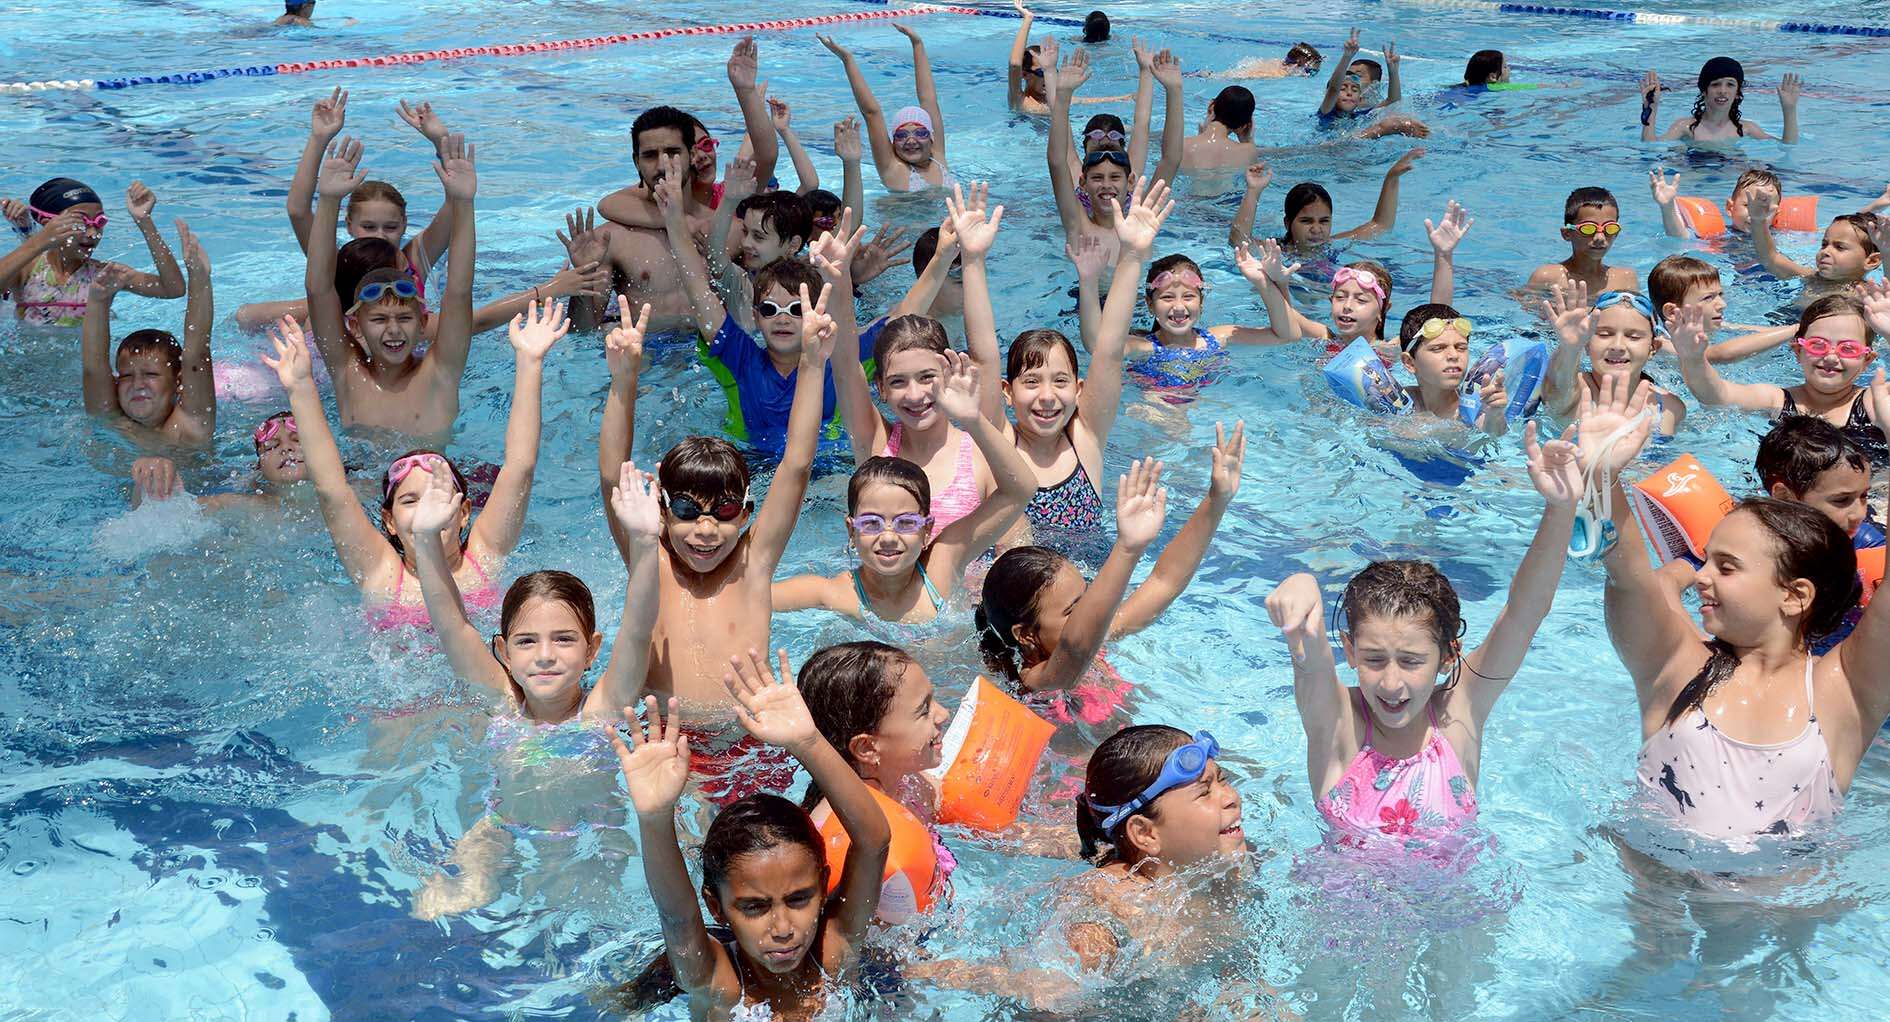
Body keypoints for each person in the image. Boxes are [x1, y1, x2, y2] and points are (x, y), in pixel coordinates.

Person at [1576, 374, 1890, 841]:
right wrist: (1600, 477)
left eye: (1726, 567)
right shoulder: (1676, 667)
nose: (1701, 576)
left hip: (1786, 890)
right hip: (1657, 885)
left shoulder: (1844, 690)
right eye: (1707, 561)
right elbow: (1629, 576)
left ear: (1795, 594)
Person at [1266, 417, 1579, 847]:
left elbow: (1526, 612)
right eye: (1374, 659)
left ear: (1449, 655)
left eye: (1412, 661)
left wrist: (1561, 510)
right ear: (1350, 651)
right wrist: (1300, 581)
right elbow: (1309, 651)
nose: (1391, 683)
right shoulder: (1338, 725)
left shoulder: (1460, 712)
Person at [404, 462, 662, 920]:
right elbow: (453, 627)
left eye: (563, 639)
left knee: (593, 916)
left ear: (591, 650)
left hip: (592, 834)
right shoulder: (503, 705)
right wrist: (426, 541)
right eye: (527, 642)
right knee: (433, 909)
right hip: (501, 827)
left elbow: (639, 630)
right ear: (503, 652)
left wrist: (644, 544)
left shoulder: (600, 711)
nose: (545, 655)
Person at [616, 284, 833, 804]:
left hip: (751, 737)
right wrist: (624, 380)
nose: (706, 529)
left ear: (746, 514)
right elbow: (612, 477)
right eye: (687, 511)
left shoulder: (753, 563)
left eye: (725, 511)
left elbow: (797, 464)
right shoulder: (648, 558)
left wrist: (811, 364)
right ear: (662, 511)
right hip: (668, 743)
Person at [606, 650, 890, 1021]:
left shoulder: (835, 950)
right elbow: (677, 918)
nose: (783, 929)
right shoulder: (719, 982)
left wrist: (808, 742)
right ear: (717, 907)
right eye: (755, 907)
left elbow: (874, 842)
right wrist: (654, 817)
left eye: (798, 899)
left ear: (823, 886)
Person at [258, 301, 559, 626]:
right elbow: (332, 490)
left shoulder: (484, 558)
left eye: (438, 495)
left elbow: (519, 468)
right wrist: (301, 387)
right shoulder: (382, 574)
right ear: (389, 521)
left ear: (464, 512)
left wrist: (530, 361)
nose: (427, 509)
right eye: (410, 500)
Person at [976, 430, 1244, 725]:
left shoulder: (1096, 637)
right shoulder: (1033, 681)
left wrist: (1216, 500)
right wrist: (1127, 548)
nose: (1092, 609)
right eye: (1072, 610)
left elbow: (1164, 582)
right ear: (1026, 634)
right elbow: (1075, 649)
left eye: (1087, 594)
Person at [771, 354, 1033, 625]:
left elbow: (1021, 490)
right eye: (871, 523)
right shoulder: (837, 595)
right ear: (851, 530)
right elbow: (752, 597)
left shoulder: (942, 566)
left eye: (906, 523)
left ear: (927, 530)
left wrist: (973, 419)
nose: (888, 537)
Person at [828, 187, 1007, 538]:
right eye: (897, 381)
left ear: (951, 373)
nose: (915, 394)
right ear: (880, 388)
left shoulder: (981, 442)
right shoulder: (876, 445)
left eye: (927, 377)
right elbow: (846, 363)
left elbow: (985, 356)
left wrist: (973, 260)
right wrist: (838, 280)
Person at [303, 133, 478, 435]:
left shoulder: (440, 372)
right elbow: (318, 290)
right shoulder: (347, 373)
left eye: (405, 318)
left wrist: (463, 203)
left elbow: (459, 291)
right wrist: (329, 201)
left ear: (423, 323)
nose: (394, 329)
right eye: (379, 319)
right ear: (355, 326)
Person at [1666, 289, 1890, 464]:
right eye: (1817, 345)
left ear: (1867, 360)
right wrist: (1692, 358)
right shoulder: (1777, 400)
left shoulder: (1874, 402)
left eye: (1848, 349)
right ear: (1798, 351)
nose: (1831, 357)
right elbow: (1716, 395)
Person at [1251, 198, 1468, 363]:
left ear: (1383, 310)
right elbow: (1286, 315)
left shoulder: (1392, 348)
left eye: (1361, 300)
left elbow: (1438, 317)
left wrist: (1443, 255)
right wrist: (1273, 279)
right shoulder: (1324, 337)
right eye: (1340, 297)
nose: (1347, 306)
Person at [1755, 417, 1885, 652]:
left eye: (1864, 496)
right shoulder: (1749, 543)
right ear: (1784, 497)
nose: (1859, 514)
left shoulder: (1864, 543)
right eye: (1842, 500)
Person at [81, 221, 214, 447]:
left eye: (151, 374)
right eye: (126, 376)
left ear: (179, 381)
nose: (137, 384)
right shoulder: (111, 421)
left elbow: (197, 353)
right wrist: (98, 300)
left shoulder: (189, 428)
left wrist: (199, 277)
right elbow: (93, 369)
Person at [0, 178, 184, 327]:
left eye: (99, 222)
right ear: (48, 224)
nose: (92, 234)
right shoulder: (27, 270)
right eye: (81, 222)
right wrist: (41, 239)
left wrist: (144, 221)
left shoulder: (105, 275)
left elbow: (173, 289)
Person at [818, 27, 955, 192]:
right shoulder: (892, 167)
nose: (911, 141)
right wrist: (848, 60)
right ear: (893, 141)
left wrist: (917, 43)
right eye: (901, 135)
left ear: (932, 137)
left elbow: (929, 99)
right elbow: (872, 113)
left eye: (920, 133)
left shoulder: (938, 155)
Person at [1541, 284, 1687, 437]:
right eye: (1604, 334)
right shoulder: (1574, 396)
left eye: (1633, 337)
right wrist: (1570, 348)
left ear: (1653, 348)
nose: (1617, 346)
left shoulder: (1670, 408)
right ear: (1587, 344)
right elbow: (1555, 387)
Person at [1230, 149, 1427, 260]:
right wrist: (1253, 191)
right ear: (1288, 223)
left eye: (1324, 221)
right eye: (1306, 221)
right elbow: (1239, 241)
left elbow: (1381, 225)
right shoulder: (1275, 252)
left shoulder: (1333, 244)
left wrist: (1391, 178)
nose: (1317, 229)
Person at [128, 411, 309, 511]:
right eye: (271, 446)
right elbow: (159, 520)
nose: (286, 448)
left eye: (298, 440)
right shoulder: (243, 507)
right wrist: (150, 479)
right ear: (258, 468)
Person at [1644, 254, 1795, 362]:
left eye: (1720, 294)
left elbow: (1751, 330)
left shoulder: (1708, 324)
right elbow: (1717, 356)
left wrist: (1800, 330)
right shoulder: (1662, 344)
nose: (1722, 304)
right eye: (1708, 298)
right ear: (1672, 312)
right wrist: (1793, 330)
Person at [1396, 305, 1510, 436]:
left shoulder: (1473, 409)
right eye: (1438, 348)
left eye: (1461, 347)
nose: (1454, 355)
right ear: (1409, 362)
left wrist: (1495, 414)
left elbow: (1493, 432)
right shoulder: (1396, 401)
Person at [1747, 198, 1882, 305]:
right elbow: (1770, 258)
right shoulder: (1811, 277)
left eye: (1839, 247)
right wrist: (1758, 221)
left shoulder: (1868, 295)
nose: (1826, 251)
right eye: (1824, 244)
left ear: (1872, 261)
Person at [1641, 58, 1801, 144]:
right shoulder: (1685, 127)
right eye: (1715, 84)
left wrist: (1789, 109)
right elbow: (1649, 146)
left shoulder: (1746, 129)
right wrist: (1651, 108)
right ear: (1704, 90)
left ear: (1737, 93)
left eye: (1730, 85)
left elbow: (1788, 145)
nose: (1723, 91)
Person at [1524, 186, 1642, 296]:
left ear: (1616, 233)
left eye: (1610, 228)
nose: (1600, 237)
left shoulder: (1625, 279)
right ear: (1567, 233)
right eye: (1588, 229)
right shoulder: (1547, 277)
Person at [1316, 31, 1428, 138]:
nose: (1349, 93)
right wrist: (1347, 56)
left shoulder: (1359, 116)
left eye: (1354, 90)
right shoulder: (1327, 112)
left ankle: (1385, 128)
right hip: (1323, 148)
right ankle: (1384, 128)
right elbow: (1333, 89)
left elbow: (1393, 101)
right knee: (1383, 126)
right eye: (1343, 89)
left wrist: (1393, 71)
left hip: (1346, 146)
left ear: (1359, 99)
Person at [1180, 84, 1257, 171]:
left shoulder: (1179, 146)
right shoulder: (1248, 152)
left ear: (1211, 106)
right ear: (1245, 126)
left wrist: (1200, 135)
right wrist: (1248, 141)